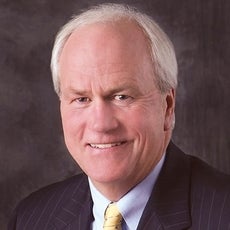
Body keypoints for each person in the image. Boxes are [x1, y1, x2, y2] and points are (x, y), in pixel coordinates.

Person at [8, 3, 230, 230]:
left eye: (121, 97)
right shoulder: (31, 218)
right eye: (81, 99)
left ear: (167, 106)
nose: (101, 124)